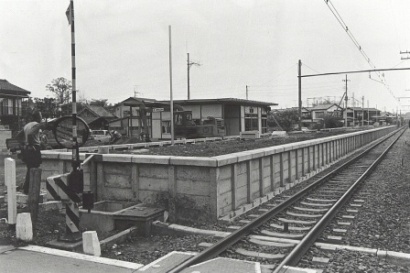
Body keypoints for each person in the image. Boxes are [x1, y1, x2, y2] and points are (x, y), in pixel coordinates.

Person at [18, 115, 53, 194]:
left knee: (30, 169)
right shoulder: (37, 125)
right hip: (34, 149)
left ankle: (27, 189)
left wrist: (23, 145)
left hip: (26, 149)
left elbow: (18, 136)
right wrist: (31, 145)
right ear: (38, 118)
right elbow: (30, 134)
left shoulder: (27, 125)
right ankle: (31, 190)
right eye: (41, 117)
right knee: (34, 169)